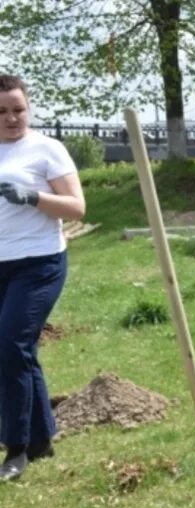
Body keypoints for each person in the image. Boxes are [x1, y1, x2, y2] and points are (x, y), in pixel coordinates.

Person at [0, 74, 85, 482]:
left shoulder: (46, 149)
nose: (11, 118)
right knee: (18, 350)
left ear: (28, 108)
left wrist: (32, 197)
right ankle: (41, 439)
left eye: (18, 109)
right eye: (1, 112)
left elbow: (76, 207)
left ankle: (15, 448)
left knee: (10, 346)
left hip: (39, 263)